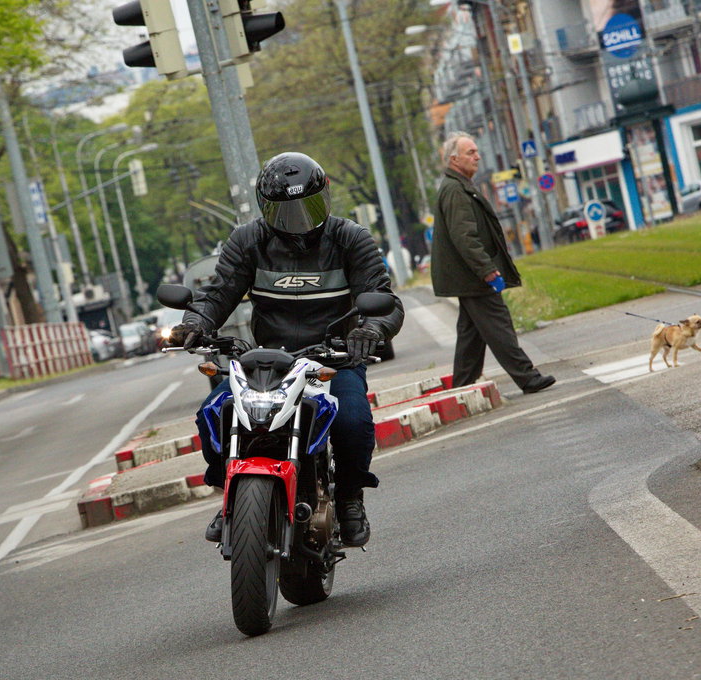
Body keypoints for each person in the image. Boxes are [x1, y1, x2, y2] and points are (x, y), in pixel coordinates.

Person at [167, 152, 404, 547]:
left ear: (325, 196)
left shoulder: (351, 239)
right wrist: (195, 323)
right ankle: (231, 493)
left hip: (334, 357)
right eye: (285, 212)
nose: (297, 220)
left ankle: (349, 497)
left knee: (352, 422)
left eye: (306, 207)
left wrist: (371, 330)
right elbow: (218, 294)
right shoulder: (249, 240)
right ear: (265, 208)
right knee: (216, 413)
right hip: (264, 360)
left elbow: (383, 298)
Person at [430, 132, 555, 394]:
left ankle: (462, 387)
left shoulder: (459, 186)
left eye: (476, 151)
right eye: (470, 152)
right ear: (454, 159)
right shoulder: (455, 190)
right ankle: (527, 376)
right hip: (473, 276)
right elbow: (464, 236)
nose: (477, 156)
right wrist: (486, 269)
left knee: (471, 334)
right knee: (499, 325)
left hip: (467, 276)